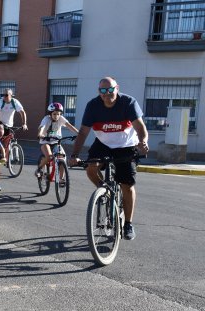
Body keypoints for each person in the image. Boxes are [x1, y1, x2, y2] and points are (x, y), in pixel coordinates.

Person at [69, 77, 149, 240]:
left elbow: (140, 127)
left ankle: (128, 224)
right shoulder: (93, 106)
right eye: (103, 91)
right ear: (99, 92)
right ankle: (104, 190)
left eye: (110, 89)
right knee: (91, 167)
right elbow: (83, 132)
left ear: (117, 88)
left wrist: (143, 142)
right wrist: (74, 155)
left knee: (127, 185)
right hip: (103, 143)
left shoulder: (128, 103)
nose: (107, 94)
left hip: (126, 145)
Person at [35, 102, 79, 178]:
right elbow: (42, 127)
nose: (56, 116)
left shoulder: (61, 119)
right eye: (54, 114)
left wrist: (79, 133)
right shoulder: (46, 119)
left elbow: (70, 126)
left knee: (62, 159)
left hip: (56, 142)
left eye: (58, 114)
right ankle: (39, 168)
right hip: (45, 142)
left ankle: (61, 179)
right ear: (50, 114)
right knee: (49, 156)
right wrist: (40, 134)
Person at [0, 88, 28, 156]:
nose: (4, 97)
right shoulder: (0, 102)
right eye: (3, 95)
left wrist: (24, 124)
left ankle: (5, 156)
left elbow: (22, 112)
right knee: (1, 132)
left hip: (9, 124)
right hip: (0, 122)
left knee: (7, 140)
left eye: (6, 95)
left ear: (11, 95)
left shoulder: (15, 102)